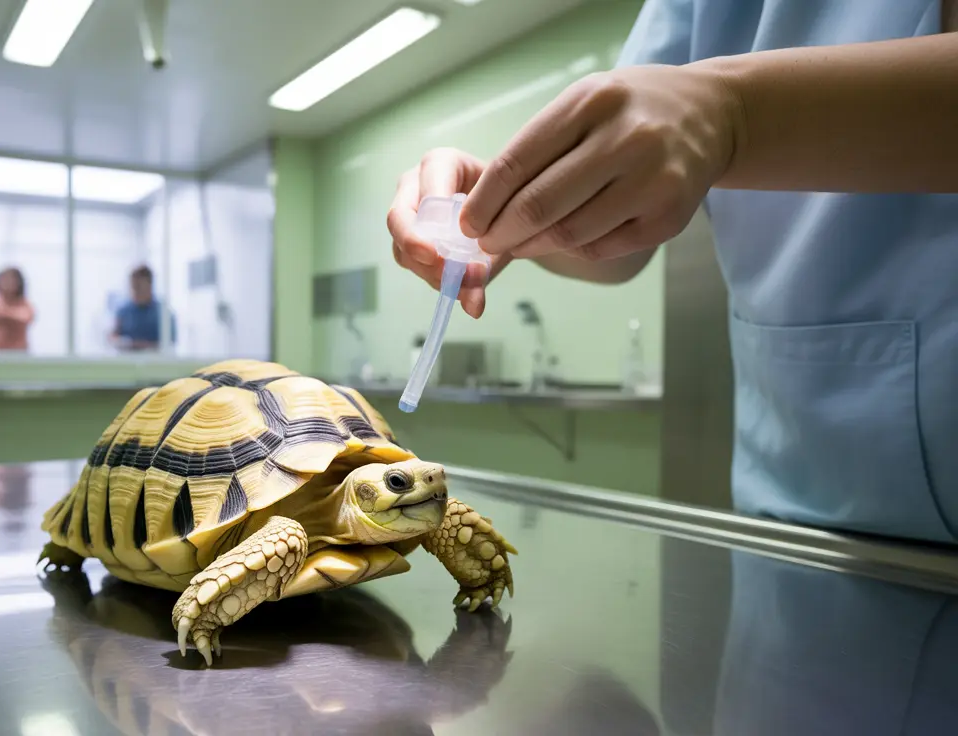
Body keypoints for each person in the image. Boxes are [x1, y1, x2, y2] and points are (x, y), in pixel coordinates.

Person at [388, 0, 958, 543]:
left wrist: (733, 115)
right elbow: (621, 240)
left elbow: (700, 120)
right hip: (803, 509)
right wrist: (511, 213)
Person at [110, 265, 175, 351]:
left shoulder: (164, 313)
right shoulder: (123, 311)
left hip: (156, 361)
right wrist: (124, 343)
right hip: (127, 360)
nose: (134, 291)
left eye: (138, 287)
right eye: (133, 286)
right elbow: (113, 336)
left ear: (150, 285)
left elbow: (170, 342)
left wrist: (145, 346)